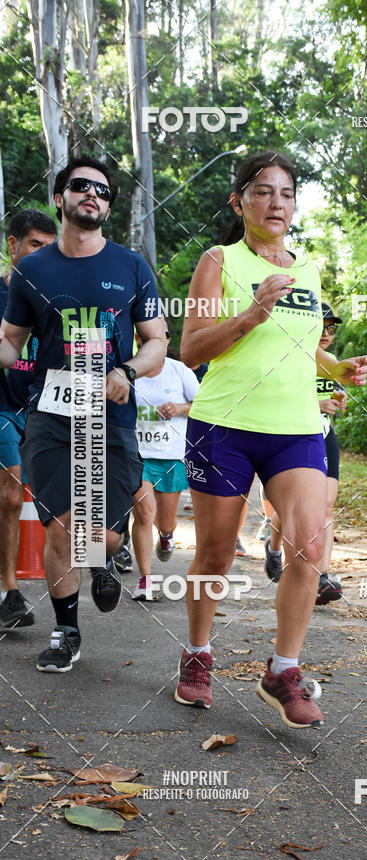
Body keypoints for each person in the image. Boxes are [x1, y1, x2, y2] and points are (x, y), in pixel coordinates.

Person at [177, 149, 367, 727]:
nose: (276, 202)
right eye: (263, 191)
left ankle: (283, 670)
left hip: (296, 428)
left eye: (286, 193)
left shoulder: (308, 270)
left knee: (310, 549)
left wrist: (335, 368)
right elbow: (191, 349)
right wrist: (251, 315)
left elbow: (299, 345)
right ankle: (197, 653)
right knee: (214, 551)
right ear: (240, 202)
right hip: (224, 425)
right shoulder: (219, 261)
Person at [0, 155, 167, 672]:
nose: (92, 194)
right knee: (61, 528)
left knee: (104, 535)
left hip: (111, 414)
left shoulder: (131, 266)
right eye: (80, 186)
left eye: (102, 190)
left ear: (108, 207)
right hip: (51, 413)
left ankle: (104, 558)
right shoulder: (33, 269)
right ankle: (66, 631)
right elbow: (11, 342)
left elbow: (157, 342)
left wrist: (129, 372)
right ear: (60, 198)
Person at [264, 302, 349, 605]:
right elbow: (274, 398)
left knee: (326, 505)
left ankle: (321, 577)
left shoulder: (332, 362)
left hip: (323, 435)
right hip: (291, 436)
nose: (327, 333)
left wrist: (338, 402)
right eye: (321, 326)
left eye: (332, 327)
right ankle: (273, 547)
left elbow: (333, 399)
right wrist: (316, 405)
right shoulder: (288, 356)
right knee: (290, 509)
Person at [0, 209, 57, 629]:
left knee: (63, 500)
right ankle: (10, 591)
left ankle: (102, 560)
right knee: (9, 492)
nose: (43, 254)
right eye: (35, 244)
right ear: (12, 245)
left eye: (49, 247)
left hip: (44, 409)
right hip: (3, 407)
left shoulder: (54, 294)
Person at [131, 335, 198, 599]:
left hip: (171, 456)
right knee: (145, 514)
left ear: (166, 340)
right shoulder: (128, 371)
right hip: (138, 455)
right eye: (142, 336)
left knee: (165, 522)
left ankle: (167, 535)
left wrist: (181, 407)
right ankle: (145, 580)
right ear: (136, 338)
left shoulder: (178, 371)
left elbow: (204, 405)